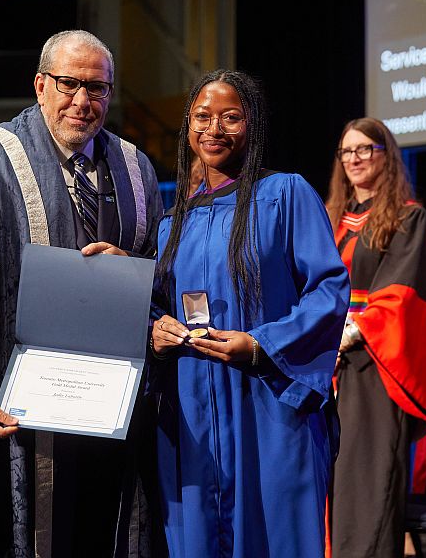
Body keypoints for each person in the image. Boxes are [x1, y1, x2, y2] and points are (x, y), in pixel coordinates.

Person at [0, 30, 164, 557]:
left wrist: (134, 271)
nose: (83, 101)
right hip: (15, 406)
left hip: (108, 409)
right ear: (40, 84)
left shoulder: (135, 168)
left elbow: (157, 273)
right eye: (69, 84)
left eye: (97, 88)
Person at [149, 70, 349, 557]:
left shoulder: (284, 195)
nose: (213, 128)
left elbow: (329, 288)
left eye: (230, 117)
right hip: (192, 411)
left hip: (269, 405)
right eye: (202, 117)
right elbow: (158, 302)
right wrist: (155, 328)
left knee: (274, 538)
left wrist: (262, 344)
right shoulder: (171, 222)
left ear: (252, 125)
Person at [326, 117, 426, 557]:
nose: (355, 159)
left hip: (373, 366)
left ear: (387, 156)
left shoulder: (408, 216)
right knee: (329, 481)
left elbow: (401, 295)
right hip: (325, 366)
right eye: (348, 151)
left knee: (365, 488)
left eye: (366, 149)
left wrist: (349, 331)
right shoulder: (331, 220)